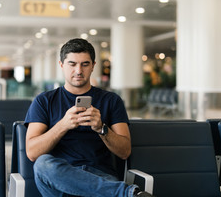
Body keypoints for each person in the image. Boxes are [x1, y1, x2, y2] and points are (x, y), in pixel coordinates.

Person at [25, 38, 152, 197]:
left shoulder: (111, 101)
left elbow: (125, 152)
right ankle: (126, 194)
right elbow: (32, 153)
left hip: (100, 177)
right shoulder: (44, 101)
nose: (78, 70)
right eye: (72, 64)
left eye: (85, 64)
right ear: (62, 65)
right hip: (61, 182)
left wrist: (101, 128)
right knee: (42, 164)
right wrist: (63, 125)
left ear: (93, 66)